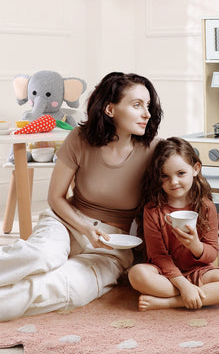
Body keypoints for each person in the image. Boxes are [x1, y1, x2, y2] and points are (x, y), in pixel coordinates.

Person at [0, 72, 162, 322]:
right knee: (41, 256)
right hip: (66, 222)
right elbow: (55, 197)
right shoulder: (80, 138)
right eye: (137, 105)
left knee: (65, 287)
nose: (147, 114)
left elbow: (182, 182)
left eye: (148, 105)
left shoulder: (154, 150)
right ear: (110, 109)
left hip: (111, 247)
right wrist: (85, 228)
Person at [128, 137, 219, 311]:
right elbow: (158, 256)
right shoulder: (153, 210)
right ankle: (193, 294)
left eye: (181, 173)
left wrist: (195, 245)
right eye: (165, 176)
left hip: (199, 272)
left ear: (195, 169)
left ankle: (170, 302)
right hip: (165, 275)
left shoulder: (206, 207)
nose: (173, 182)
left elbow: (211, 254)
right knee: (137, 274)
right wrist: (184, 286)